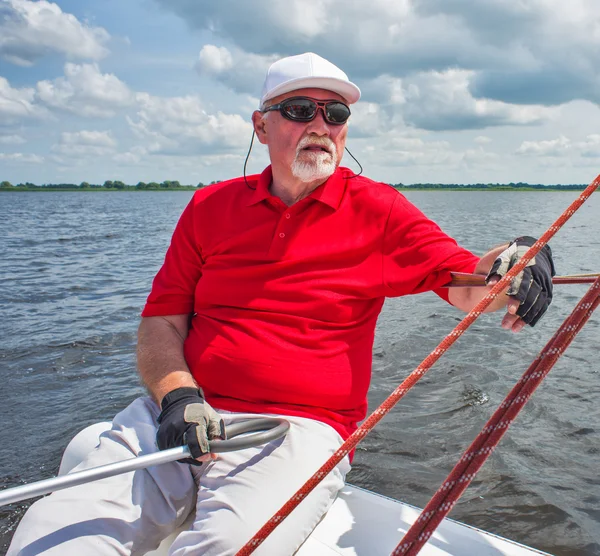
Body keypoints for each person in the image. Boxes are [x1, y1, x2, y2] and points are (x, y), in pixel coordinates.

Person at [8, 52, 555, 556]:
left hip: (297, 428)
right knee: (48, 536)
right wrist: (177, 398)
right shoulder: (208, 206)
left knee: (232, 547)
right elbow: (162, 320)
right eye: (299, 109)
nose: (320, 125)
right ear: (260, 125)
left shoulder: (380, 210)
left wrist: (524, 252)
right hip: (175, 414)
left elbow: (468, 285)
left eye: (335, 113)